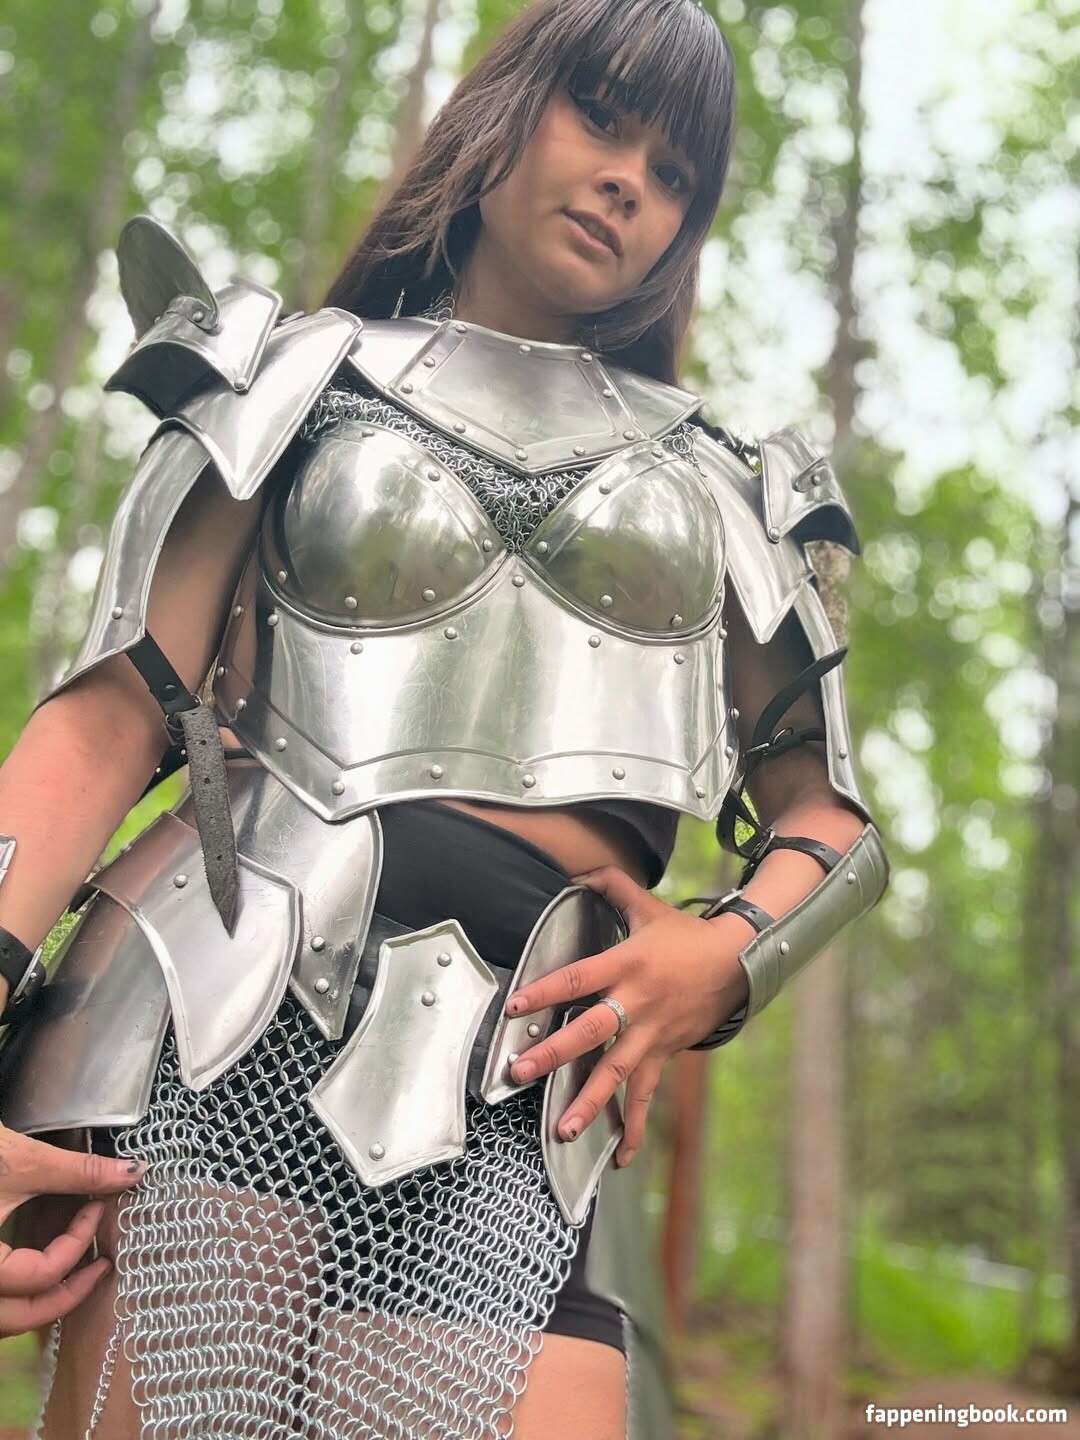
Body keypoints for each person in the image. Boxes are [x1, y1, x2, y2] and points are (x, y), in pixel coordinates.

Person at [0, 0, 888, 1434]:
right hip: (226, 1031)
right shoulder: (289, 379)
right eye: (602, 118)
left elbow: (828, 823)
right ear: (504, 111)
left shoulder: (722, 486)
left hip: (526, 1098)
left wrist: (723, 956)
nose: (628, 182)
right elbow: (104, 726)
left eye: (673, 174)